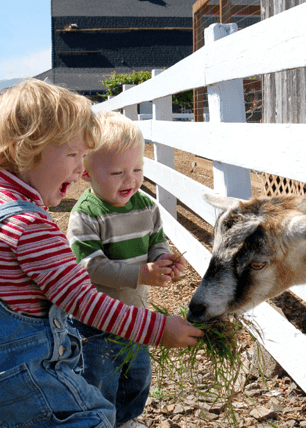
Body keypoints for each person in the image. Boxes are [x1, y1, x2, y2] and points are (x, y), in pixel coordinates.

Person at [0, 79, 203, 428]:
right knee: (92, 416)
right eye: (73, 155)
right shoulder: (31, 227)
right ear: (23, 151)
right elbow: (84, 300)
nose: (80, 170)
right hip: (26, 372)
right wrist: (158, 329)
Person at [66, 110, 186, 425]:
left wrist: (165, 260)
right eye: (118, 172)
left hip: (135, 315)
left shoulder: (146, 206)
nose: (131, 179)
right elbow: (89, 266)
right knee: (99, 378)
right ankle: (100, 420)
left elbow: (157, 241)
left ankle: (126, 419)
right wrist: (141, 274)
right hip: (94, 322)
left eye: (137, 168)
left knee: (137, 375)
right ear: (87, 174)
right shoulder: (87, 214)